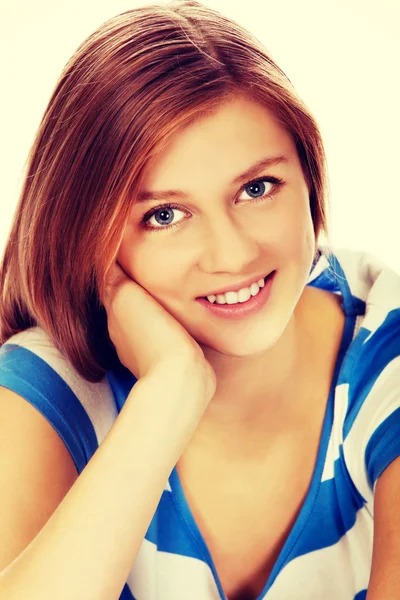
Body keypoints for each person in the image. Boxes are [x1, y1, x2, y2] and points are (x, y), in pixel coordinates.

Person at [0, 1, 399, 598]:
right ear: (92, 236)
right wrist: (168, 393)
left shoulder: (385, 350)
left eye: (256, 188)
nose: (232, 254)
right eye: (165, 215)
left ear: (310, 183)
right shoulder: (47, 388)